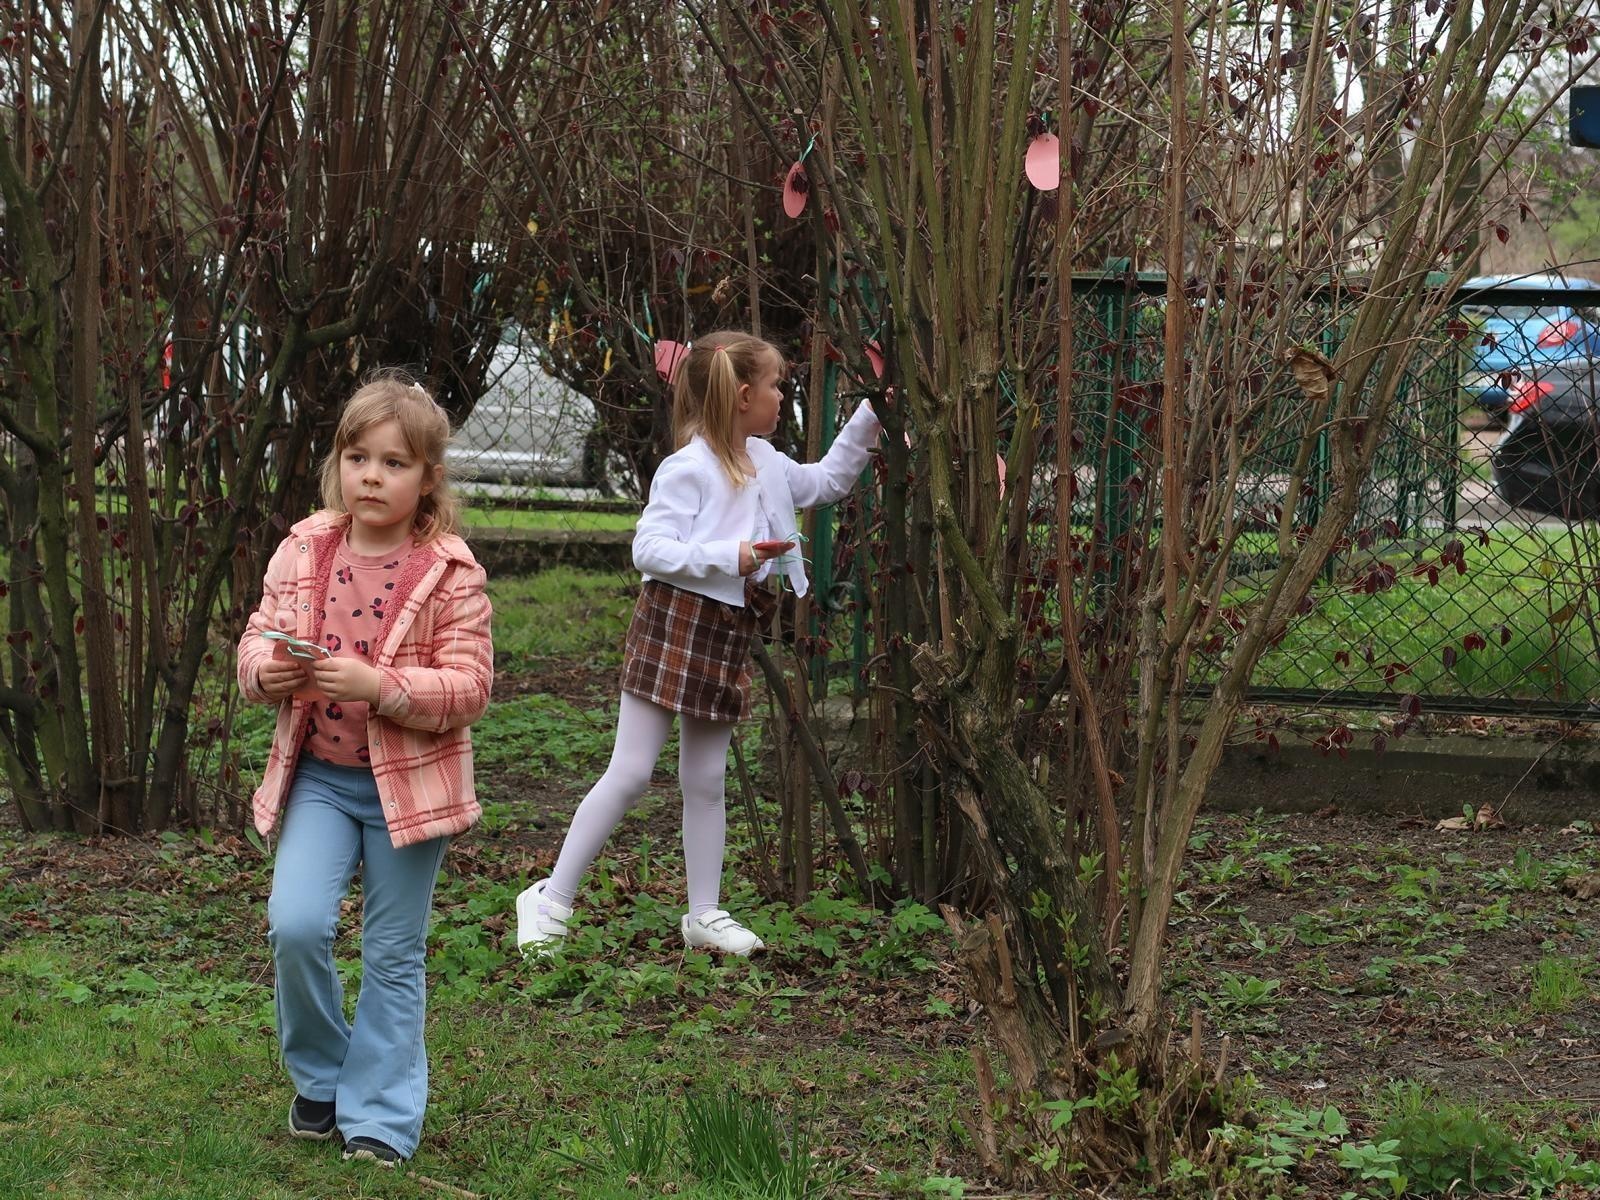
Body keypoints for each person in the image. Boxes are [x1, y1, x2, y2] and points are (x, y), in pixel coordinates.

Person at [514, 330, 880, 957]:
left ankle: (703, 913)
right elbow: (648, 550)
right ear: (743, 395)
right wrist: (729, 556)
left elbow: (825, 483)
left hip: (728, 631)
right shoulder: (687, 467)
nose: (782, 396)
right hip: (675, 624)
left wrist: (875, 409)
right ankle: (549, 900)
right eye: (776, 387)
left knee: (705, 779)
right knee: (630, 773)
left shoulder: (765, 459)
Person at [237, 372, 493, 1167]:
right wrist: (266, 673)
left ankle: (379, 1118)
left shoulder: (450, 573)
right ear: (338, 465)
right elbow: (257, 637)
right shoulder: (306, 548)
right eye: (358, 457)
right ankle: (322, 1077)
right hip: (318, 778)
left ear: (428, 480)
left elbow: (470, 687)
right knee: (297, 924)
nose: (372, 476)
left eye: (393, 462)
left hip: (408, 792)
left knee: (391, 952)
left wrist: (383, 688)